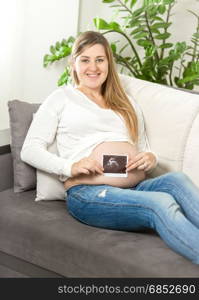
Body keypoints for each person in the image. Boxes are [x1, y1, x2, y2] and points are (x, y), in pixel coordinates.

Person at [21, 31, 199, 264]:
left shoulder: (126, 103)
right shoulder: (61, 98)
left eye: (100, 59)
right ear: (73, 64)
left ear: (108, 64)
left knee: (177, 180)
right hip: (88, 192)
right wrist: (69, 166)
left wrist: (150, 158)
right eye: (85, 60)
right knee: (161, 203)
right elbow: (30, 148)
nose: (92, 67)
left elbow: (144, 147)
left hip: (136, 186)